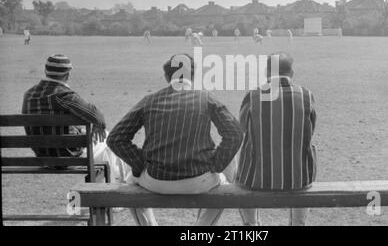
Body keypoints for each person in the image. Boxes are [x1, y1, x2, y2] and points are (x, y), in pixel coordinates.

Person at [107, 54, 243, 226]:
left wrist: (140, 164)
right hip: (200, 180)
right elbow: (235, 133)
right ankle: (201, 229)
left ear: (167, 77)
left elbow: (115, 138)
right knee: (226, 180)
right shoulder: (206, 98)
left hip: (155, 180)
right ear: (193, 76)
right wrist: (216, 165)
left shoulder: (149, 100)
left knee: (129, 182)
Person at [21, 54, 152, 225]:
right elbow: (97, 116)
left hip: (43, 155)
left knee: (104, 150)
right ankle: (108, 199)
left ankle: (101, 195)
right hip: (66, 155)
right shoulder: (62, 94)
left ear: (45, 71)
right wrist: (97, 125)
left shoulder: (28, 94)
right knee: (110, 141)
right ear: (67, 74)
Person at [235, 52, 317, 226]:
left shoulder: (253, 96)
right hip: (298, 179)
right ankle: (297, 223)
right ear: (292, 73)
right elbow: (310, 130)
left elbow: (242, 128)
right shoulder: (306, 95)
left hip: (254, 179)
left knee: (240, 170)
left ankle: (252, 225)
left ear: (266, 72)